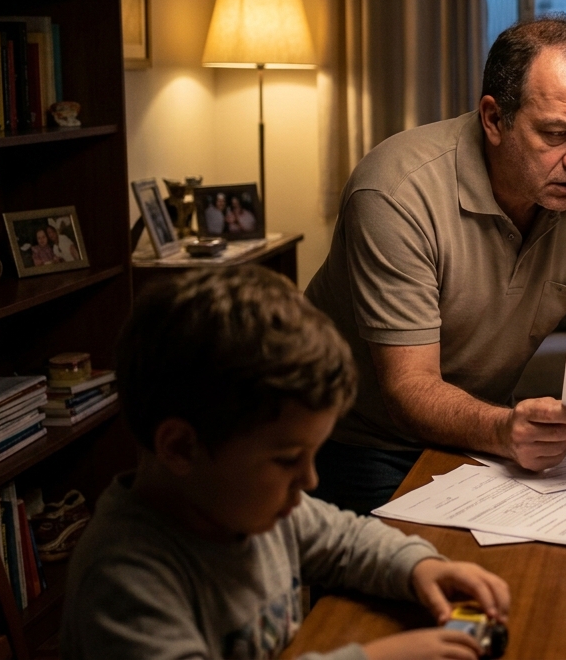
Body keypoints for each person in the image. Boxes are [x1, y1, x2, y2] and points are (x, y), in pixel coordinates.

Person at [305, 15, 566, 514]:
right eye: (557, 133)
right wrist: (503, 429)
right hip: (357, 439)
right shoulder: (397, 192)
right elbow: (408, 388)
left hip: (475, 433)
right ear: (493, 118)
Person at [62, 266, 510, 660]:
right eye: (288, 460)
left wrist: (420, 567)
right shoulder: (125, 582)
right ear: (180, 448)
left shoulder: (253, 510)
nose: (311, 480)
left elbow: (347, 542)